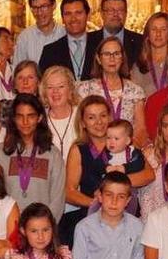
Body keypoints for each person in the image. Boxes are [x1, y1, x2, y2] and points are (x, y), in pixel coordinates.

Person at [63, 96, 155, 244]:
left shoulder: (125, 143)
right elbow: (69, 192)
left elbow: (149, 175)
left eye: (103, 116)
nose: (99, 122)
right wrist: (97, 203)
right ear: (83, 123)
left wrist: (115, 184)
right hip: (93, 217)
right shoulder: (79, 149)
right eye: (91, 117)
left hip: (127, 215)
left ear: (110, 117)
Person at [0, 94, 66, 218]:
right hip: (7, 227)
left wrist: (43, 227)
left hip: (42, 230)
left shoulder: (53, 154)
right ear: (13, 119)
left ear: (39, 118)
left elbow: (58, 199)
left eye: (31, 116)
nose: (25, 122)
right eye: (20, 116)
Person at [76, 37, 148, 147]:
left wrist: (127, 152)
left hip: (127, 150)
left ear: (122, 58)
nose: (112, 59)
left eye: (116, 54)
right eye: (107, 54)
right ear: (98, 59)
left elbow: (141, 129)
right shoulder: (85, 89)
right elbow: (80, 125)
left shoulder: (136, 91)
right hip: (94, 151)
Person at [86, 119, 144, 215]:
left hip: (127, 188)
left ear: (127, 141)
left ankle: (129, 219)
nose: (111, 142)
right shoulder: (104, 154)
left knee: (132, 198)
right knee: (95, 203)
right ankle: (91, 221)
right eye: (108, 138)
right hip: (107, 188)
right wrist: (105, 168)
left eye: (116, 139)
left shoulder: (132, 152)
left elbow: (139, 164)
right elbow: (96, 166)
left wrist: (124, 168)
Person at [39, 0, 97, 81]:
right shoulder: (50, 51)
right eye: (68, 14)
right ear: (62, 18)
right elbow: (44, 85)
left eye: (78, 13)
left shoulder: (101, 45)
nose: (73, 19)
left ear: (88, 15)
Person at [13, 0, 65, 65]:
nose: (39, 13)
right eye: (35, 8)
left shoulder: (64, 33)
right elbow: (18, 70)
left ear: (54, 5)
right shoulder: (25, 38)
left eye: (43, 7)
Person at [89, 0, 144, 66]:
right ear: (102, 14)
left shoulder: (140, 42)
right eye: (111, 11)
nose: (115, 14)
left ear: (126, 13)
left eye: (120, 10)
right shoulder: (88, 41)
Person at [40, 66, 79, 161]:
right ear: (44, 92)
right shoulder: (40, 119)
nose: (55, 92)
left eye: (61, 86)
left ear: (70, 89)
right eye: (50, 87)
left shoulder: (81, 115)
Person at [131, 12, 168, 96]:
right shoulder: (140, 66)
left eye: (163, 29)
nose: (158, 34)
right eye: (154, 29)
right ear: (148, 35)